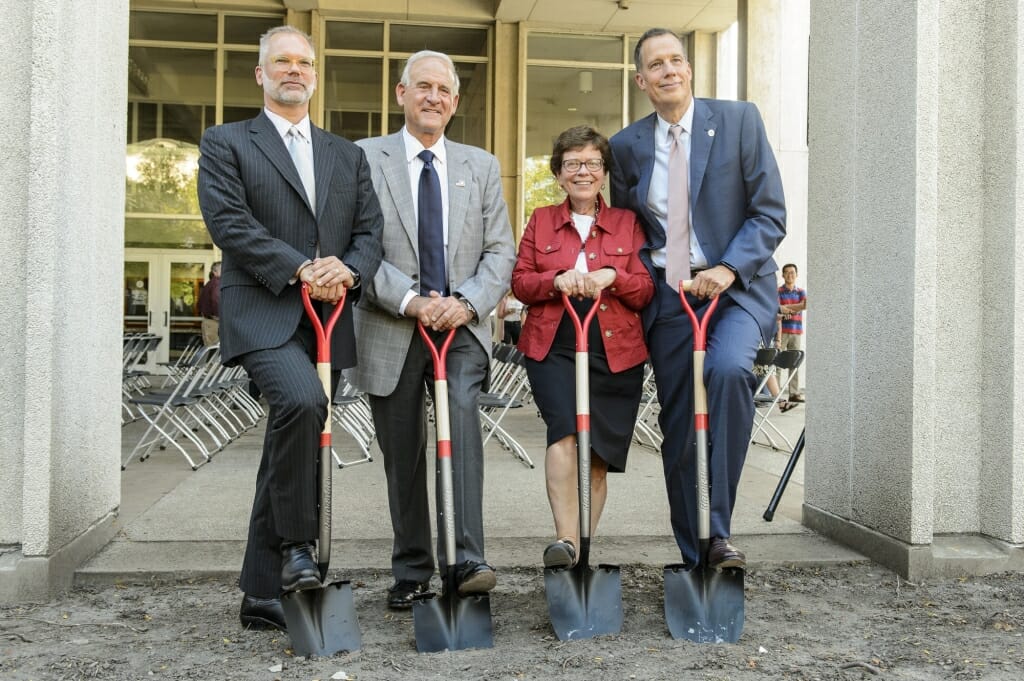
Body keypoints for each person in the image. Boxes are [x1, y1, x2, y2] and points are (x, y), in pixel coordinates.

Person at [197, 25, 383, 632]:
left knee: (290, 433)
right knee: (304, 404)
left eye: (304, 62)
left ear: (315, 75)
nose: (294, 71)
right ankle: (299, 549)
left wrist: (347, 270)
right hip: (263, 311)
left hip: (327, 317)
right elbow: (229, 223)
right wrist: (300, 266)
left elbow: (369, 234)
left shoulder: (345, 153)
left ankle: (260, 592)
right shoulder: (227, 143)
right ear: (260, 74)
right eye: (282, 62)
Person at [609, 28, 786, 570]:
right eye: (656, 65)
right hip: (672, 300)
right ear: (642, 80)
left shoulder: (738, 121)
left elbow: (769, 212)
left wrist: (728, 269)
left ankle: (719, 532)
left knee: (730, 373)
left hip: (736, 291)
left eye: (676, 60)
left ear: (689, 69)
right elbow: (627, 229)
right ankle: (694, 552)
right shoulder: (626, 147)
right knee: (681, 422)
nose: (669, 71)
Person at [352, 50, 515, 609]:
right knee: (402, 453)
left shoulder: (482, 166)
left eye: (443, 90)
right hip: (390, 327)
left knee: (461, 431)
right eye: (422, 87)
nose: (432, 97)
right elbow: (358, 247)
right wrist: (413, 301)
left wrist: (466, 303)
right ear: (401, 94)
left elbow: (500, 251)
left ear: (454, 102)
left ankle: (466, 559)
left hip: (461, 331)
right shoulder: (363, 159)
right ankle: (413, 567)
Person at [512, 125, 654, 568]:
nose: (582, 172)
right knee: (566, 433)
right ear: (558, 174)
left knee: (597, 455)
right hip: (554, 343)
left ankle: (582, 548)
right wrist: (556, 281)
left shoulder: (627, 224)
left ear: (603, 172)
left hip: (614, 349)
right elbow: (520, 282)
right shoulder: (540, 220)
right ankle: (566, 542)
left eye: (592, 163)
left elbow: (645, 290)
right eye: (572, 163)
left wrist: (613, 274)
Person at [777, 263, 807, 402]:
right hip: (781, 331)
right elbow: (776, 308)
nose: (790, 275)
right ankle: (776, 394)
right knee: (777, 361)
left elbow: (805, 305)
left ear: (796, 274)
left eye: (792, 272)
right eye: (787, 272)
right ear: (782, 275)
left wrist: (785, 309)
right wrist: (796, 307)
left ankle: (794, 393)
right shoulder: (778, 291)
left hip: (796, 330)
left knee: (794, 362)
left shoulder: (801, 291)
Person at [197, 261, 221, 346]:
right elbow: (216, 300)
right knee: (214, 354)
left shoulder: (209, 284)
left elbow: (199, 305)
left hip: (208, 322)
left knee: (210, 353)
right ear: (214, 272)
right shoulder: (217, 283)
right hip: (213, 323)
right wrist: (220, 317)